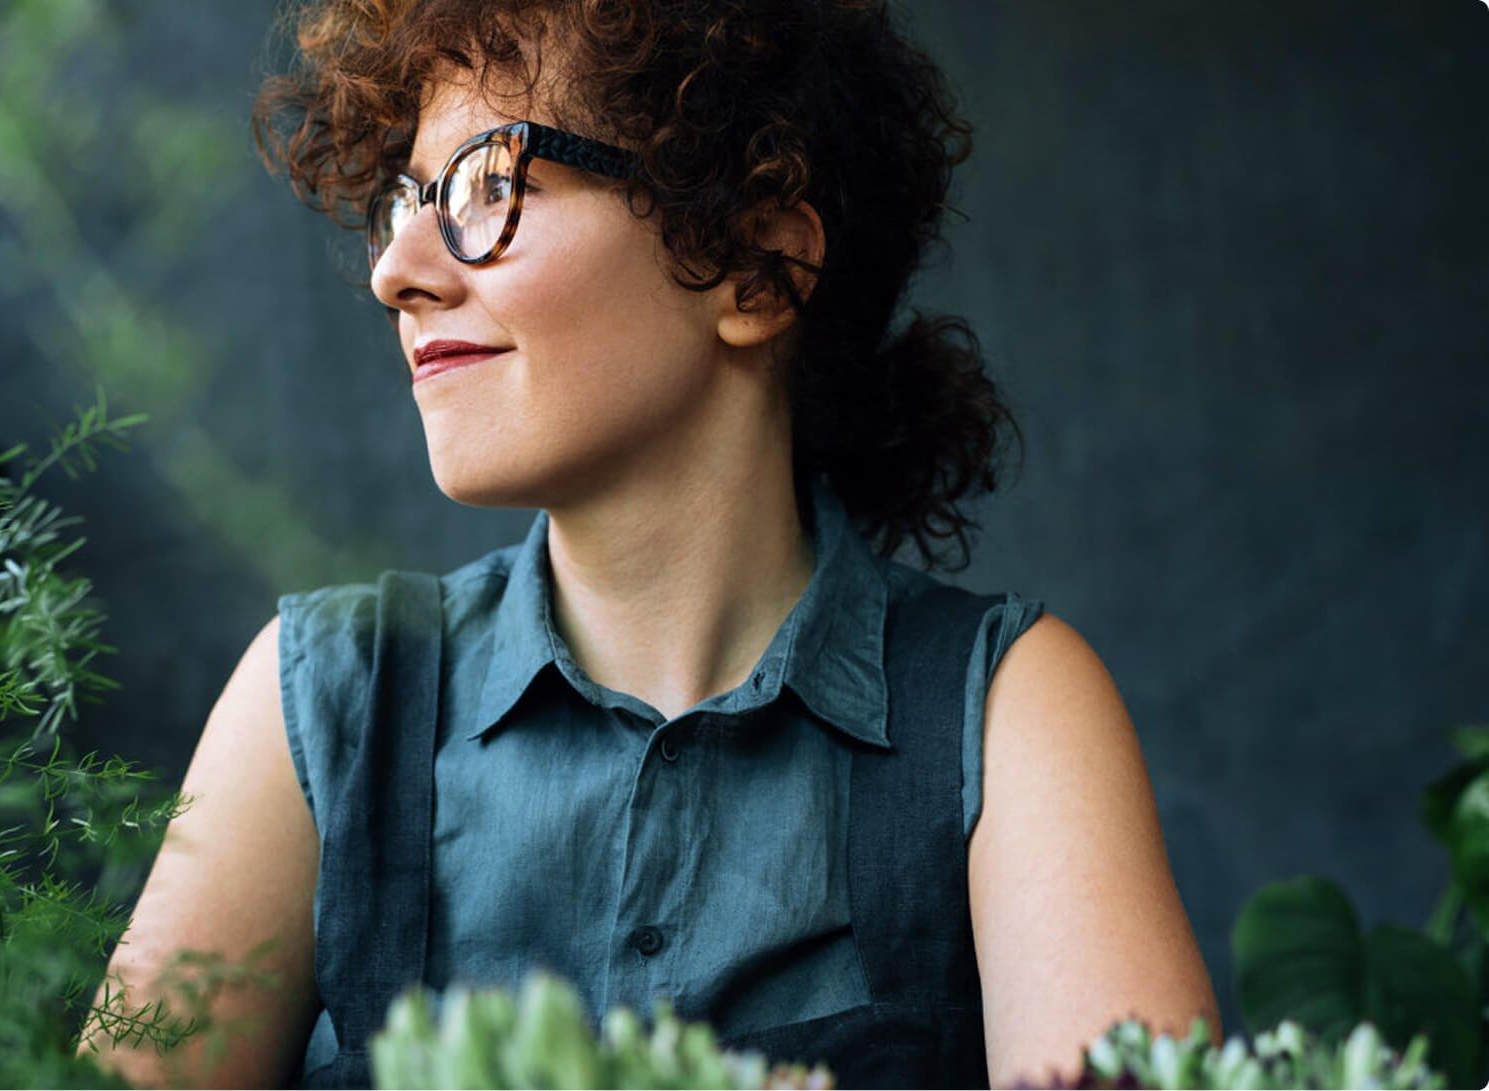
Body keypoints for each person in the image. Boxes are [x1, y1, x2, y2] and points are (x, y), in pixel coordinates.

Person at [79, 1, 1220, 1086]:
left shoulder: (1006, 713)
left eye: (489, 183)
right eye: (406, 200)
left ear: (758, 267)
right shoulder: (319, 703)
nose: (397, 271)